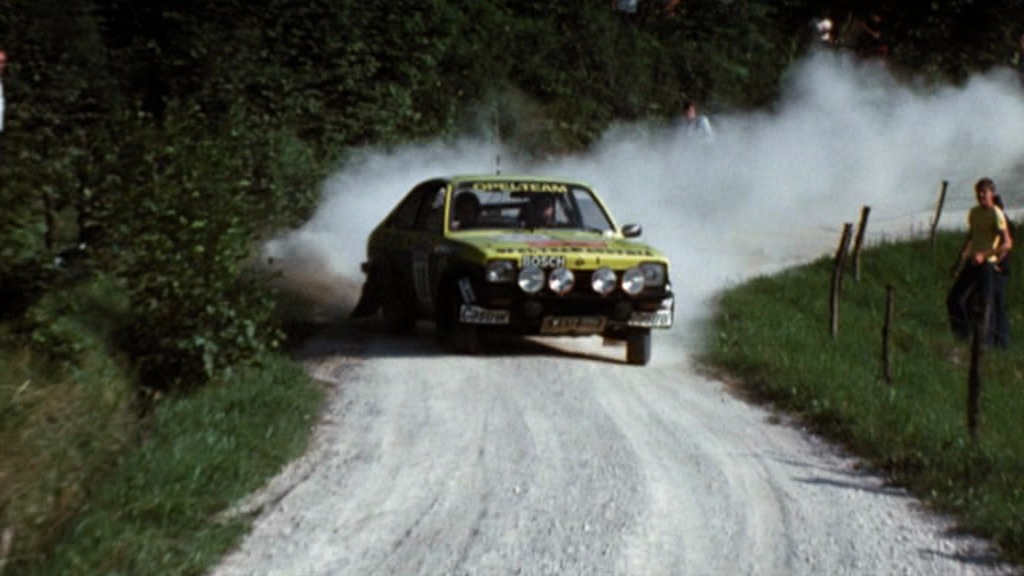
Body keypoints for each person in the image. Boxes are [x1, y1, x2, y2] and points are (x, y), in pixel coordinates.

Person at [946, 178, 1013, 344]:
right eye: (979, 193)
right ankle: (962, 334)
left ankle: (986, 343)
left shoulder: (996, 214)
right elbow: (971, 237)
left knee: (986, 303)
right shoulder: (974, 213)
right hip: (972, 261)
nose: (981, 196)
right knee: (954, 298)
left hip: (986, 264)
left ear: (992, 194)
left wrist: (986, 255)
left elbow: (1007, 243)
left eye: (985, 192)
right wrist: (960, 260)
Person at [990, 193, 1014, 347]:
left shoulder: (1004, 224)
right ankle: (1000, 339)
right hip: (1000, 268)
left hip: (999, 268)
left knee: (996, 304)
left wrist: (995, 263)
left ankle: (1000, 339)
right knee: (996, 303)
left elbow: (1004, 248)